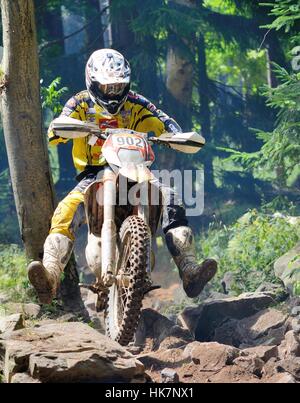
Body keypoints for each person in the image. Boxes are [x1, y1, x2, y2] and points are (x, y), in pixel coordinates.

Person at [27, 49, 217, 305]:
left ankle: (189, 269)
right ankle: (50, 276)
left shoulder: (137, 103)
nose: (114, 92)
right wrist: (63, 128)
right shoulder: (80, 103)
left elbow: (163, 120)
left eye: (119, 86)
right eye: (107, 86)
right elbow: (58, 126)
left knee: (171, 198)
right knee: (65, 210)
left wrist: (175, 135)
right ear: (93, 83)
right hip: (94, 173)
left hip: (135, 169)